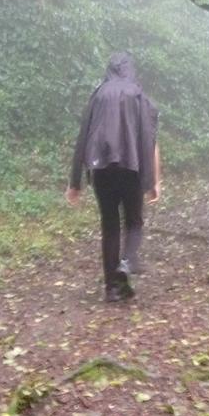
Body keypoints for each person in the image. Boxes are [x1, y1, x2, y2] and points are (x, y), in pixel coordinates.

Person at [66, 52, 160, 302]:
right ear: (131, 70)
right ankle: (127, 262)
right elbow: (148, 138)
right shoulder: (137, 95)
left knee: (109, 225)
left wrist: (75, 181)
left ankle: (112, 289)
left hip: (101, 168)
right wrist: (151, 180)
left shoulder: (98, 95)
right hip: (131, 167)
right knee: (134, 221)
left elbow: (83, 135)